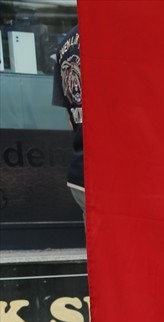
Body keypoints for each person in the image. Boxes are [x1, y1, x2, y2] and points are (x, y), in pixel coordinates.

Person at [50, 24, 84, 213]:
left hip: (80, 172)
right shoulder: (113, 33)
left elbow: (70, 120)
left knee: (96, 240)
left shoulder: (64, 44)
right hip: (114, 175)